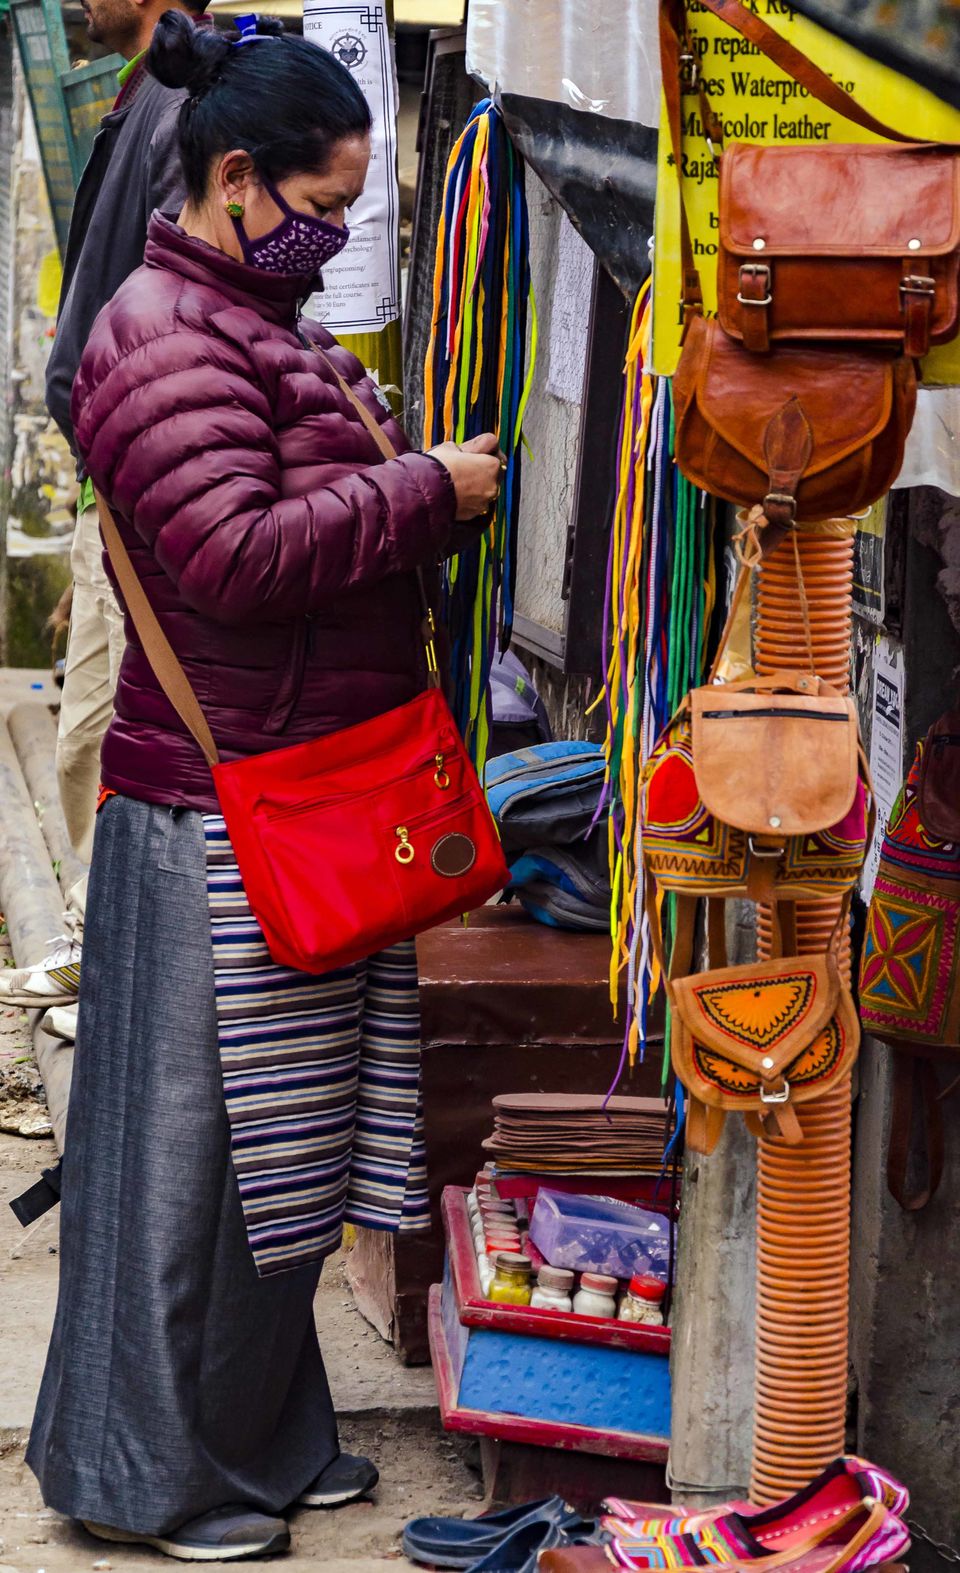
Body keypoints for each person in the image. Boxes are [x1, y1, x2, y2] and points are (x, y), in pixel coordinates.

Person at [26, 12, 502, 1563]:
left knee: (271, 1167)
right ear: (237, 179)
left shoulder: (248, 318)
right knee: (191, 1174)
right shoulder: (165, 336)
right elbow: (230, 558)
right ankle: (148, 1479)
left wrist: (397, 475)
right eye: (325, 206)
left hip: (300, 795)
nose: (337, 237)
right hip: (213, 818)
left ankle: (260, 1439)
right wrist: (421, 490)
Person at [0, 0, 207, 1034]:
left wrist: (128, 455)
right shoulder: (142, 93)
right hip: (108, 475)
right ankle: (101, 940)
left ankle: (125, 967)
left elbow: (171, 304)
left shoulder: (183, 103)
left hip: (137, 478)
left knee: (121, 737)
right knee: (90, 733)